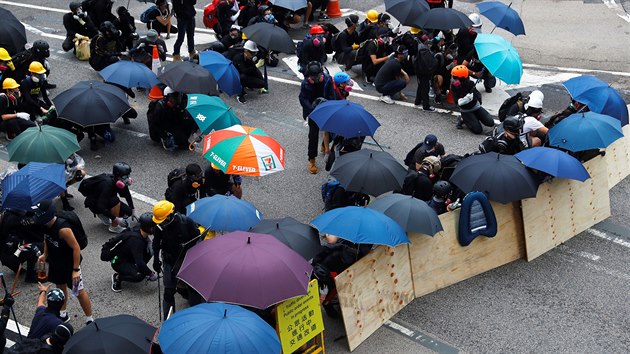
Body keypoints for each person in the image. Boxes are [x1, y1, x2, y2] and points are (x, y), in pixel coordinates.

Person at [33, 200, 94, 325]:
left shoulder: (63, 229)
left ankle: (90, 320)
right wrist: (45, 254)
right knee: (60, 287)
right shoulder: (45, 225)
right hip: (56, 262)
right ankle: (63, 314)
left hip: (70, 265)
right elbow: (47, 239)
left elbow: (76, 248)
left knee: (79, 291)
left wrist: (76, 270)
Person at [151, 200, 200, 319]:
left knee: (193, 291)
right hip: (170, 261)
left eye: (163, 221)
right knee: (168, 293)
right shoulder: (159, 226)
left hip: (187, 260)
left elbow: (198, 238)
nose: (161, 224)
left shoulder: (186, 222)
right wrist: (156, 259)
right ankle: (168, 320)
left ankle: (197, 317)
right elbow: (156, 243)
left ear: (170, 216)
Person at [312, 234, 372, 318]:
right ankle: (326, 305)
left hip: (344, 267)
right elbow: (329, 245)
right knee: (327, 288)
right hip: (331, 268)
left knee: (333, 287)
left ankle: (329, 304)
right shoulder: (338, 249)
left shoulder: (357, 245)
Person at [298, 61, 334, 174]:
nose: (315, 79)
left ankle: (324, 144)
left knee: (331, 131)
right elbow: (303, 99)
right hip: (313, 112)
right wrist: (312, 109)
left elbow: (332, 96)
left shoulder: (328, 80)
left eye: (317, 76)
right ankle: (312, 159)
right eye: (313, 77)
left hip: (326, 108)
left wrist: (327, 105)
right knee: (313, 136)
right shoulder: (305, 84)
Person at [79, 162, 135, 233]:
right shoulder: (107, 184)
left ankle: (106, 214)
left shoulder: (119, 181)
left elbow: (127, 195)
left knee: (128, 211)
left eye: (128, 175)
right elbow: (100, 206)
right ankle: (113, 227)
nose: (127, 179)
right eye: (124, 177)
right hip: (95, 204)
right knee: (115, 200)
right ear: (118, 176)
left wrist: (133, 210)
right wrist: (116, 219)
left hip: (104, 200)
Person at [110, 212, 158, 293]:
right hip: (118, 262)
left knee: (150, 250)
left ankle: (137, 269)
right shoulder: (136, 241)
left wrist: (149, 242)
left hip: (129, 256)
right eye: (153, 226)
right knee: (139, 276)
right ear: (148, 228)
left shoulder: (140, 227)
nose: (155, 228)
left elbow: (146, 239)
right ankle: (118, 277)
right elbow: (140, 262)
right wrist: (151, 274)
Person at [450, 65, 495, 134]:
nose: (453, 79)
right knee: (478, 130)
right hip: (465, 110)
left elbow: (478, 95)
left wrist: (475, 98)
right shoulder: (454, 86)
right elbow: (457, 102)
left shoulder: (471, 84)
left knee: (490, 122)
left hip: (475, 106)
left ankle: (475, 116)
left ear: (462, 78)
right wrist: (465, 98)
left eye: (455, 78)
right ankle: (462, 119)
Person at [413, 36, 437, 111]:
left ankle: (417, 101)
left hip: (419, 70)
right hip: (424, 72)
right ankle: (426, 106)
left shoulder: (419, 46)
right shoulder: (424, 50)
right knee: (425, 88)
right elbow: (428, 63)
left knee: (420, 86)